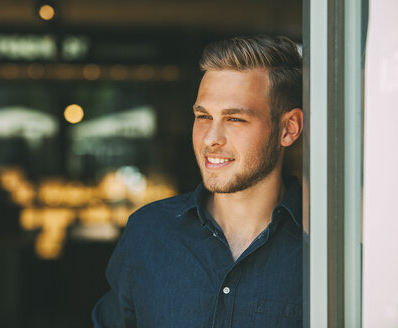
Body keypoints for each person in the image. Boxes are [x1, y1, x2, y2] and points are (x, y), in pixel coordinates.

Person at [92, 35, 304, 327]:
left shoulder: (325, 247)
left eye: (235, 119)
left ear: (288, 129)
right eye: (203, 116)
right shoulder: (148, 235)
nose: (211, 138)